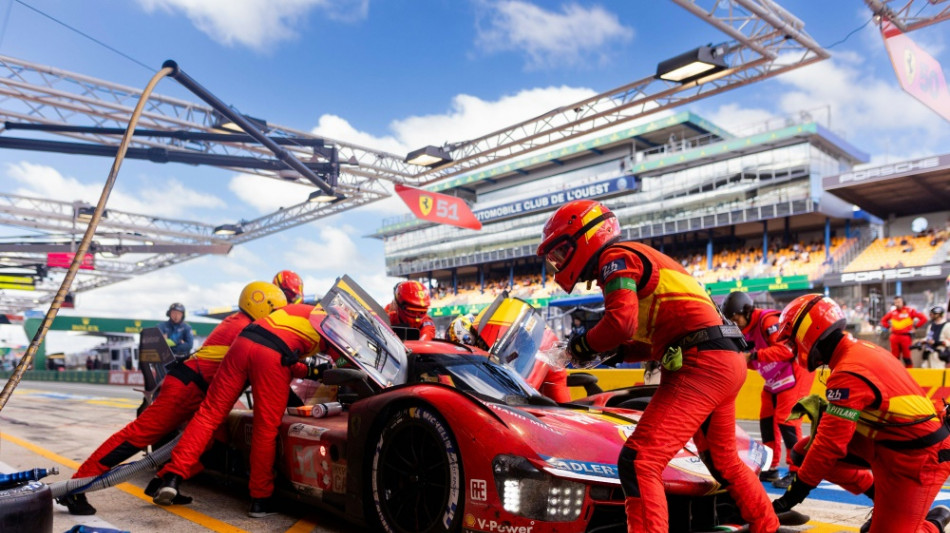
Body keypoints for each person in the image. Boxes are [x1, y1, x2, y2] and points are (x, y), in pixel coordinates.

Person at [536, 199, 779, 533]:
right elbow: (648, 339)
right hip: (724, 359)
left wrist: (581, 344)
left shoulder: (616, 258)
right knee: (723, 462)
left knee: (638, 462)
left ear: (585, 235)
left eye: (561, 252)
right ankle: (767, 526)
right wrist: (607, 352)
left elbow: (620, 323)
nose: (559, 263)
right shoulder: (642, 259)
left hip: (701, 364)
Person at [56, 282, 288, 515]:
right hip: (187, 388)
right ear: (262, 305)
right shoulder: (248, 328)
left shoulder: (239, 322)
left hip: (196, 389)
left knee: (215, 442)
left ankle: (164, 482)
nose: (277, 318)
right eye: (275, 311)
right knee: (136, 437)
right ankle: (77, 486)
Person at [771, 294, 950, 533]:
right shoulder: (858, 350)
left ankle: (934, 522)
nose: (793, 348)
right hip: (889, 445)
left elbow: (829, 447)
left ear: (808, 332)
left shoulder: (849, 371)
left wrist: (790, 499)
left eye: (793, 341)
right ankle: (883, 501)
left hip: (919, 460)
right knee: (804, 452)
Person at [154, 301, 334, 517]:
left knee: (208, 414)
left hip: (242, 343)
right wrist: (328, 369)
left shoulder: (302, 310)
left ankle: (172, 477)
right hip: (271, 356)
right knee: (265, 429)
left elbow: (284, 350)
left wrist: (308, 372)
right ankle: (261, 499)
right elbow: (342, 360)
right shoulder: (337, 326)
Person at [721, 291, 813, 489]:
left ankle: (797, 472)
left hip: (795, 372)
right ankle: (770, 467)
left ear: (745, 311)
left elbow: (786, 350)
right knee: (766, 421)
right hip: (775, 377)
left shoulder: (768, 321)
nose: (735, 323)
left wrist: (752, 357)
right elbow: (757, 361)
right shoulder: (745, 331)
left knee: (787, 421)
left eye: (736, 318)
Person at [880, 295, 927, 368]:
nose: (897, 304)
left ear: (903, 302)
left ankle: (909, 373)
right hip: (894, 337)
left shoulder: (910, 311)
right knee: (895, 357)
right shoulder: (892, 312)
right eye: (895, 302)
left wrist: (916, 327)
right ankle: (895, 373)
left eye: (898, 302)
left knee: (907, 357)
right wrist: (888, 327)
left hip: (906, 337)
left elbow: (924, 318)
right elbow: (883, 320)